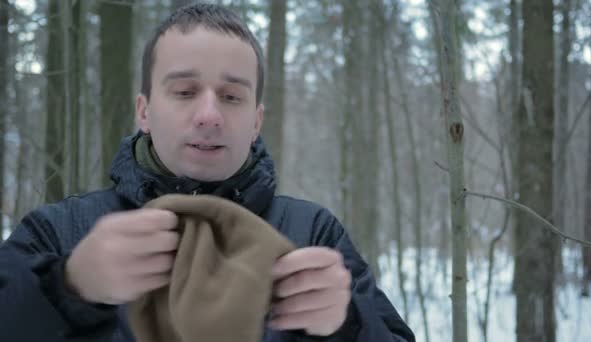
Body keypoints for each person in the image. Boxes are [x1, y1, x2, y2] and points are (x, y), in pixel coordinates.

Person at [0, 3, 415, 342]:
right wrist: (66, 288)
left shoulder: (313, 236)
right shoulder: (61, 233)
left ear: (256, 121)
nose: (209, 115)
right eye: (184, 92)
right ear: (144, 111)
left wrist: (347, 325)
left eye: (232, 97)